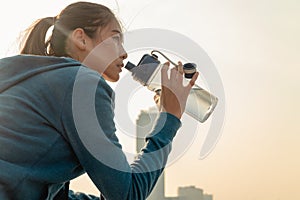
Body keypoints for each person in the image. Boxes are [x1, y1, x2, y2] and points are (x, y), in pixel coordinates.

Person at [0, 1, 198, 200]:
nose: (124, 52)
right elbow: (129, 195)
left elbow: (57, 196)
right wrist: (170, 117)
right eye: (115, 39)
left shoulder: (38, 79)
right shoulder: (82, 84)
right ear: (81, 39)